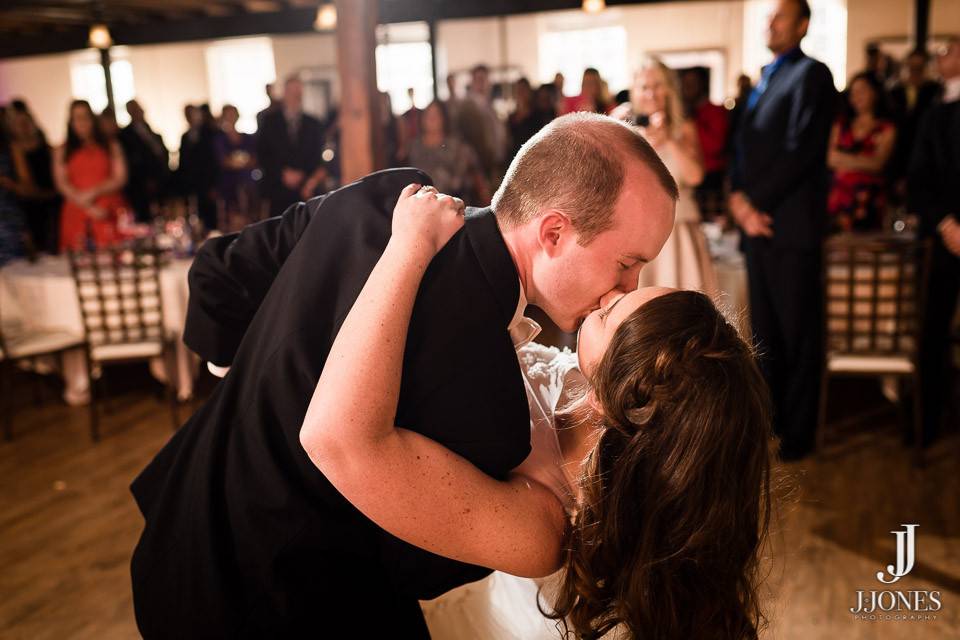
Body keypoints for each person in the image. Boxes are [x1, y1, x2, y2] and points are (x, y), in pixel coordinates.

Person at [130, 112, 678, 638]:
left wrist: (253, 380)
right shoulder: (493, 415)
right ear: (554, 233)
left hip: (176, 533)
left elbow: (218, 273)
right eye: (627, 263)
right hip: (276, 611)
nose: (627, 288)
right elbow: (417, 572)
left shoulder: (392, 199)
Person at [301, 183, 775, 639]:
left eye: (613, 313)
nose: (612, 292)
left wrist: (409, 247)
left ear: (612, 401)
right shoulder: (583, 384)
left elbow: (341, 442)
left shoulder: (544, 530)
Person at [728, 0, 837, 461]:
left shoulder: (813, 75)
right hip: (756, 226)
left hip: (789, 226)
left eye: (780, 16)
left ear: (803, 24)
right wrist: (736, 198)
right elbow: (740, 147)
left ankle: (798, 434)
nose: (769, 23)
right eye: (768, 17)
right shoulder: (762, 79)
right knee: (766, 333)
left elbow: (802, 150)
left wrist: (755, 204)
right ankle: (770, 421)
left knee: (799, 332)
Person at [613, 57, 718, 295]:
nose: (651, 93)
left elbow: (695, 176)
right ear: (634, 91)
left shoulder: (684, 128)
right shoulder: (622, 127)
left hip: (679, 232)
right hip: (637, 233)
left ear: (669, 89)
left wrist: (669, 139)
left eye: (658, 85)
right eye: (644, 87)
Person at [908, 36, 960, 448]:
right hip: (943, 241)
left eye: (949, 51)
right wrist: (945, 222)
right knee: (932, 331)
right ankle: (927, 421)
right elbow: (919, 179)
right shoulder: (933, 113)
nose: (941, 59)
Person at [52, 100, 128, 252]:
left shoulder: (110, 145)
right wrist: (87, 205)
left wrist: (94, 192)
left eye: (85, 117)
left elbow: (120, 177)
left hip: (107, 209)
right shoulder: (62, 150)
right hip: (77, 211)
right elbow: (61, 183)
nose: (82, 123)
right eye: (77, 118)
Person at [826, 72, 896, 232]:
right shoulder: (841, 124)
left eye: (862, 91)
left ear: (875, 93)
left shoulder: (886, 128)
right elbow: (830, 158)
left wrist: (843, 160)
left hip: (869, 200)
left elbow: (878, 163)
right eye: (853, 92)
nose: (857, 97)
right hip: (839, 198)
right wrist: (864, 160)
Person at [256, 75, 327, 216]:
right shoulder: (269, 122)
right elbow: (262, 153)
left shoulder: (313, 123)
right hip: (278, 188)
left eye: (298, 93)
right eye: (291, 92)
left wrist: (304, 176)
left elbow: (317, 155)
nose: (295, 96)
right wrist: (282, 173)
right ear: (284, 93)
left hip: (306, 188)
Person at [407, 100, 490, 205]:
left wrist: (485, 197)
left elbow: (476, 172)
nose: (431, 119)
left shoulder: (456, 146)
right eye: (428, 114)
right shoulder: (414, 147)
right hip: (423, 206)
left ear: (443, 118)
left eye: (436, 114)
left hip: (453, 205)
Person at [4, 100, 59, 253]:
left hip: (52, 202)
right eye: (18, 123)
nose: (23, 126)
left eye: (25, 122)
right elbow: (27, 185)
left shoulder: (43, 144)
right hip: (33, 207)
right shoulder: (16, 149)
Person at [888, 48, 942, 197]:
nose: (914, 72)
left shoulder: (936, 92)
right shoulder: (894, 92)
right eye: (911, 67)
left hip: (926, 160)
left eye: (919, 67)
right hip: (896, 156)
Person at [681, 67, 730, 218]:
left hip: (711, 178)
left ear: (702, 84)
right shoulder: (683, 114)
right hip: (687, 180)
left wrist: (690, 126)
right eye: (685, 83)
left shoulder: (716, 111)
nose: (688, 87)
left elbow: (715, 145)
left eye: (693, 82)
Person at [454, 64, 507, 185]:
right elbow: (472, 141)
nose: (482, 83)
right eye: (479, 79)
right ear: (472, 82)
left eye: (485, 79)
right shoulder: (468, 107)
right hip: (480, 168)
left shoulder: (488, 104)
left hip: (494, 164)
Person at [120, 99, 169, 223]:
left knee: (162, 214)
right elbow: (134, 160)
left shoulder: (149, 129)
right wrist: (147, 178)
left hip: (160, 179)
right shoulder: (126, 134)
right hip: (141, 184)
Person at [174, 104, 219, 231]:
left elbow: (212, 161)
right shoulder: (185, 136)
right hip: (192, 182)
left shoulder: (210, 133)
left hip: (207, 181)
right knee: (195, 213)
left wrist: (213, 184)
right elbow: (183, 162)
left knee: (210, 213)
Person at [213, 104, 257, 210]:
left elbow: (254, 160)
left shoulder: (247, 138)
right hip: (228, 183)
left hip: (246, 183)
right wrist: (242, 162)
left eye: (233, 114)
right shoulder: (219, 139)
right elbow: (224, 161)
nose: (230, 117)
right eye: (228, 115)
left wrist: (236, 162)